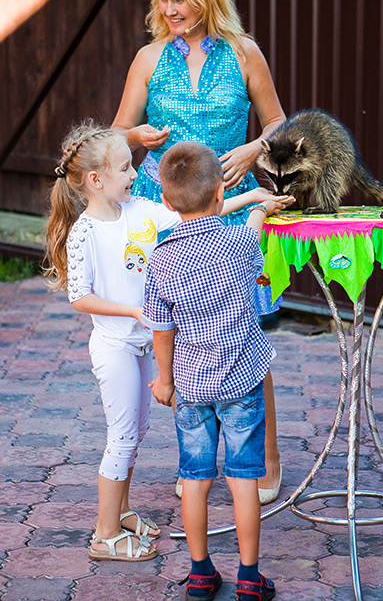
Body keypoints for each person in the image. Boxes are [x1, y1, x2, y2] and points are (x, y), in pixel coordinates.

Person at [45, 122, 286, 563]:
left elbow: (196, 215)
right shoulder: (85, 232)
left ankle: (120, 512)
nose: (135, 174)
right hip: (116, 346)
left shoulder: (139, 209)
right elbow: (80, 297)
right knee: (120, 436)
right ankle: (103, 534)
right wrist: (135, 312)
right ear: (96, 180)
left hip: (140, 341)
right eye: (125, 168)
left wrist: (252, 198)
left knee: (135, 432)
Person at [112, 0, 286, 503]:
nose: (169, 9)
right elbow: (117, 132)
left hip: (230, 210)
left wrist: (257, 146)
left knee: (241, 334)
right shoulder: (148, 58)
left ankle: (263, 460)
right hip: (160, 215)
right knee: (169, 332)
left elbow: (281, 121)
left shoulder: (243, 52)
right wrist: (136, 138)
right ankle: (197, 464)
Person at [143, 141, 282, 601]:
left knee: (195, 478)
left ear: (165, 200)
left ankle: (201, 576)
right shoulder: (241, 243)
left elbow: (162, 329)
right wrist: (261, 207)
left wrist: (164, 380)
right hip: (241, 381)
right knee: (244, 478)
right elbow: (255, 229)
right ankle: (248, 580)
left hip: (191, 388)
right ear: (221, 193)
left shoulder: (160, 260)